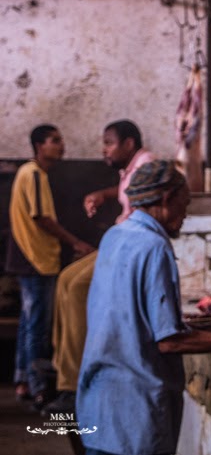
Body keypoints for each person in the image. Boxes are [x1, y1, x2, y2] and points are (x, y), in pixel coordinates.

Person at [77, 160, 211, 455]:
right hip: (135, 414)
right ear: (166, 199)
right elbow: (170, 341)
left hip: (98, 404)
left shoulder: (115, 235)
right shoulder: (154, 246)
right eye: (184, 205)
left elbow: (138, 319)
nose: (185, 215)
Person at [46, 120, 155, 414]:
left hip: (129, 244)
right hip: (119, 238)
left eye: (109, 142)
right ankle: (62, 366)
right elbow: (125, 190)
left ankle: (73, 380)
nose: (104, 149)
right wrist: (105, 194)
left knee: (79, 287)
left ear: (129, 144)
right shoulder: (132, 168)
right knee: (66, 279)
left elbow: (142, 203)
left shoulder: (146, 165)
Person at [5, 124, 95, 410]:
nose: (61, 146)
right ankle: (39, 387)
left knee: (29, 322)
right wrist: (76, 243)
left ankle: (23, 380)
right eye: (54, 141)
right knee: (37, 325)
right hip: (36, 259)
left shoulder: (32, 174)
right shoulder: (33, 174)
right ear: (38, 146)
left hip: (32, 258)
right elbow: (41, 218)